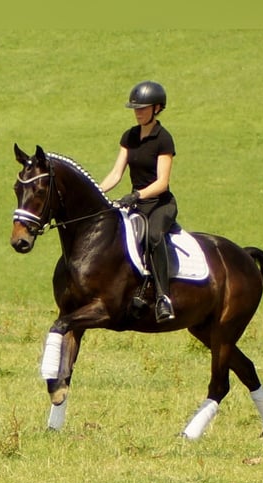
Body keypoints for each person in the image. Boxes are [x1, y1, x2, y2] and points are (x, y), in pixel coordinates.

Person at [99, 80, 178, 323]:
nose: (138, 112)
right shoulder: (129, 136)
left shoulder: (163, 139)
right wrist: (97, 193)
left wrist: (136, 195)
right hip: (136, 205)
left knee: (154, 236)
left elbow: (162, 183)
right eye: (135, 108)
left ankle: (164, 298)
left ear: (157, 108)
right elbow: (116, 174)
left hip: (159, 204)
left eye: (143, 108)